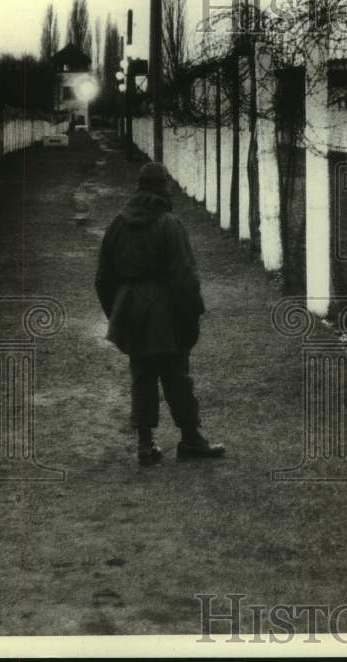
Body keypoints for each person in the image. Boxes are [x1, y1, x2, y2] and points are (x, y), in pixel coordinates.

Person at [96, 161, 225, 465]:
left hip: (130, 308)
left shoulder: (117, 223)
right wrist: (192, 314)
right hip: (165, 309)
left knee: (141, 375)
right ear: (163, 186)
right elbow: (184, 277)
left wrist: (117, 310)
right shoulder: (169, 224)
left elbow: (103, 278)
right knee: (176, 374)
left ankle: (145, 445)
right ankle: (191, 440)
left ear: (139, 186)